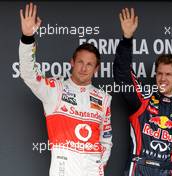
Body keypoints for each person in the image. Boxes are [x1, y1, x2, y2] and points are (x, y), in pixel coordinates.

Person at [19, 3, 112, 176]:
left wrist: (99, 166)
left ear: (96, 69)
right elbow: (28, 74)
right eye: (80, 62)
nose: (84, 68)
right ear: (72, 63)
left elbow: (106, 139)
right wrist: (27, 38)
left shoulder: (104, 98)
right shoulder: (55, 89)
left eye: (89, 64)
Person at [113, 8, 172, 176]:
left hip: (167, 171)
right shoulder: (143, 98)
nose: (162, 79)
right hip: (138, 168)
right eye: (159, 73)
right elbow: (122, 74)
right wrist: (127, 40)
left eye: (168, 74)